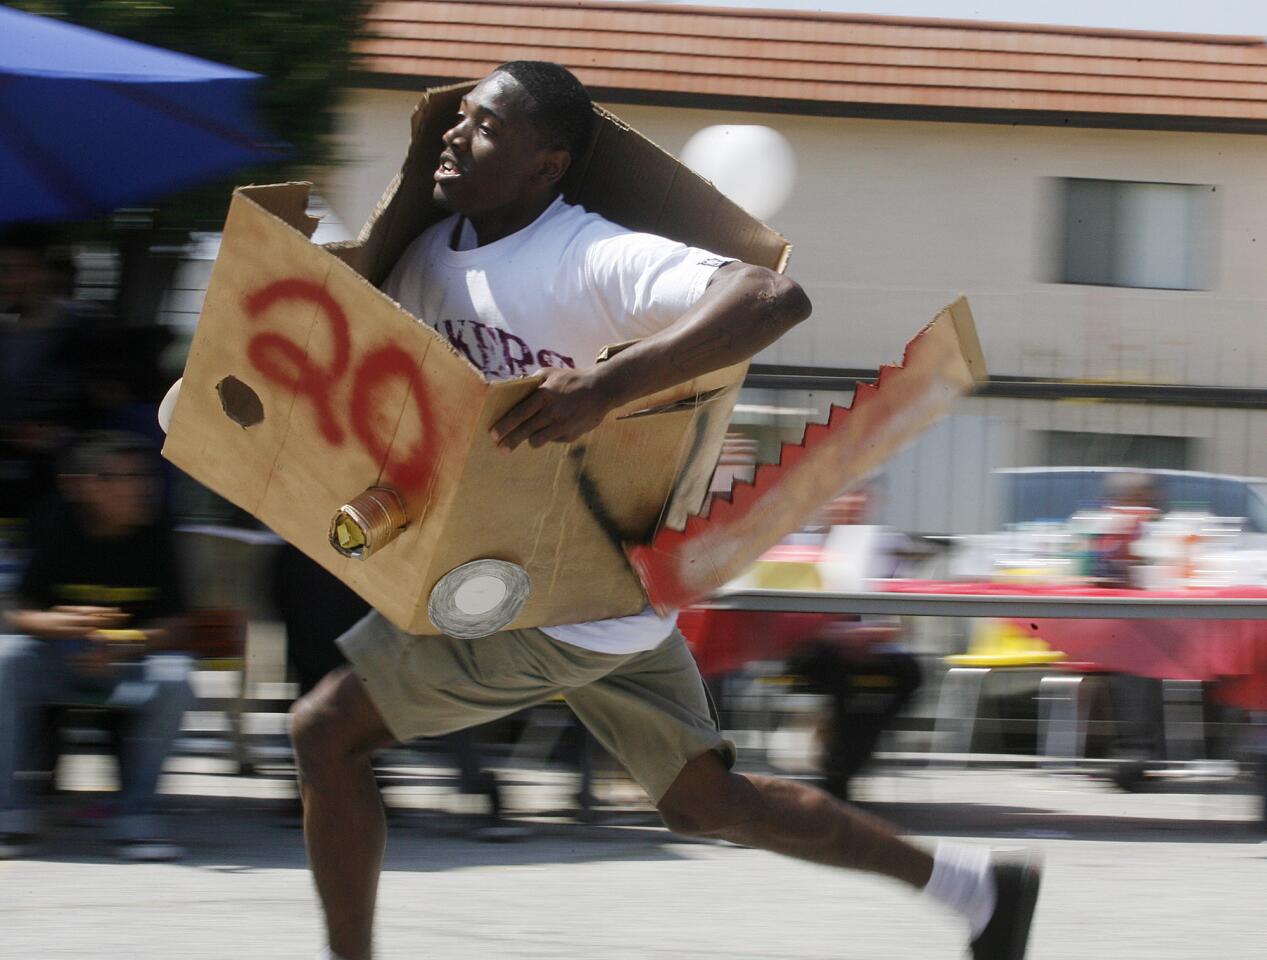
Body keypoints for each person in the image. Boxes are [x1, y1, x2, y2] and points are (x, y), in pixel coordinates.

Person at [289, 61, 1041, 960]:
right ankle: (976, 889)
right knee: (709, 804)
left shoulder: (588, 254)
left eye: (487, 127)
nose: (453, 134)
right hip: (605, 597)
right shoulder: (421, 258)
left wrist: (605, 384)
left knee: (325, 733)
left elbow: (771, 297)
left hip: (542, 595)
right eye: (459, 118)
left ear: (547, 165)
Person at [0, 431, 195, 861]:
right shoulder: (54, 522)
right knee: (7, 659)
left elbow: (177, 626)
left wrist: (124, 643)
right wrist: (66, 624)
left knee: (176, 679)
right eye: (126, 477)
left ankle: (135, 817)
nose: (140, 487)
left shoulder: (157, 530)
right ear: (90, 485)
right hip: (58, 654)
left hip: (129, 658)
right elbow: (18, 614)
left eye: (144, 476)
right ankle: (10, 813)